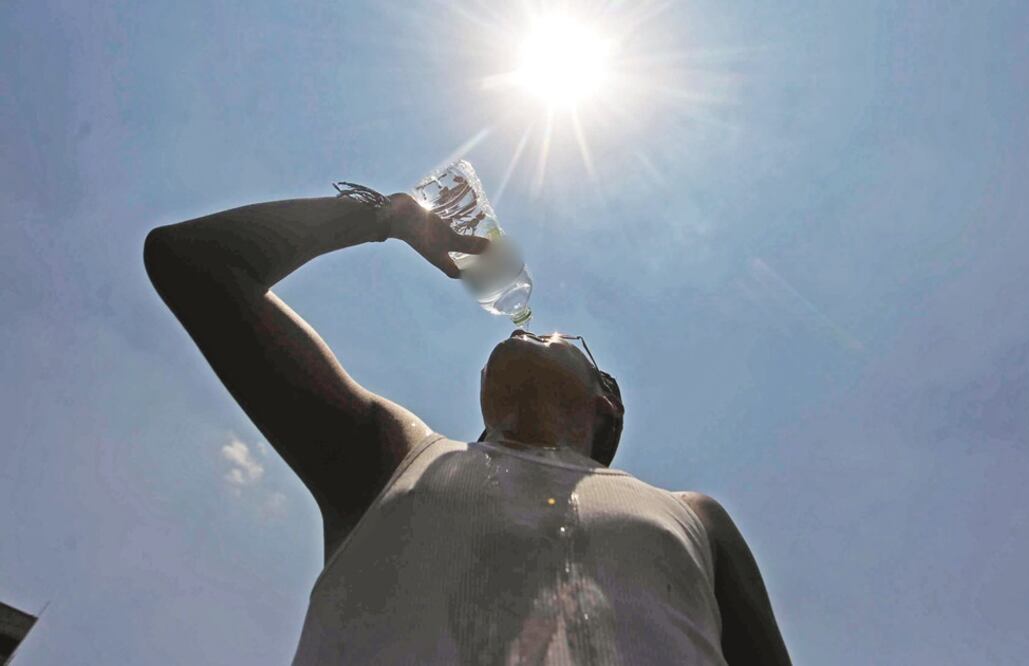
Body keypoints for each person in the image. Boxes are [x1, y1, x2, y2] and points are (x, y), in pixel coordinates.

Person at [143, 189, 791, 665]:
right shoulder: (394, 461)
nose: (536, 330)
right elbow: (194, 262)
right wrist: (384, 217)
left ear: (607, 403)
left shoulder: (691, 517)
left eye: (565, 339)